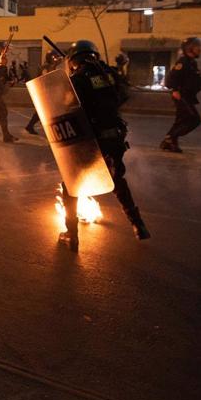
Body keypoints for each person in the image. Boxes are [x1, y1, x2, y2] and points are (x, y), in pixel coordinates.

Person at [56, 41, 149, 252]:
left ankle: (71, 235)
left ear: (73, 59)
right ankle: (138, 224)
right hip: (115, 135)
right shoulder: (109, 73)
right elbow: (123, 95)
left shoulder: (79, 78)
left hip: (91, 138)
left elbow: (66, 105)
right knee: (116, 180)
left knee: (71, 185)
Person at [160, 37, 201, 153]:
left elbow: (193, 81)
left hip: (188, 96)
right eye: (197, 47)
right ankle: (169, 138)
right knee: (193, 119)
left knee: (181, 120)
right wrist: (175, 90)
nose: (199, 49)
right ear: (189, 48)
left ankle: (169, 143)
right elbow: (171, 78)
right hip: (181, 95)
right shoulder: (183, 62)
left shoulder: (192, 63)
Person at [25, 50, 64, 135]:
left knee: (42, 111)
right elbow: (45, 78)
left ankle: (30, 126)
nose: (55, 59)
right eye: (54, 57)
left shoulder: (51, 66)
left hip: (49, 92)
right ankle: (54, 132)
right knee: (49, 112)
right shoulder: (45, 67)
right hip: (45, 92)